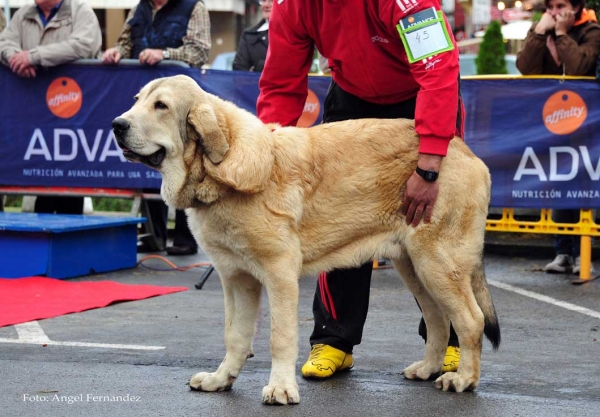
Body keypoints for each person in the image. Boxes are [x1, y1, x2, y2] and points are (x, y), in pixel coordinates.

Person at [257, 1, 464, 379]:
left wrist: (430, 165)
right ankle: (334, 340)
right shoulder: (293, 6)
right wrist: (266, 154)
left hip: (418, 96)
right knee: (335, 222)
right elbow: (281, 82)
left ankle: (452, 340)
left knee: (433, 229)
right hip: (351, 100)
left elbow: (438, 71)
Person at [102, 0, 211, 254]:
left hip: (179, 107)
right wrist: (117, 51)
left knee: (187, 164)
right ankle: (155, 236)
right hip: (146, 102)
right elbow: (126, 43)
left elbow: (200, 52)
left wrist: (165, 54)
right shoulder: (138, 8)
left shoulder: (194, 6)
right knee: (147, 161)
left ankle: (185, 239)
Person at [517, 0, 600, 275]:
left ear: (577, 7)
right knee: (561, 185)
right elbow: (525, 67)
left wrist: (563, 35)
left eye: (561, 5)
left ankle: (582, 252)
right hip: (554, 122)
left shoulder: (591, 30)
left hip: (587, 122)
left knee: (585, 186)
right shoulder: (542, 29)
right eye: (550, 6)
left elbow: (579, 67)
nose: (554, 12)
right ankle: (563, 252)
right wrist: (540, 34)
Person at [0, 0, 101, 214]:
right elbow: (4, 42)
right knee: (41, 180)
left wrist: (34, 57)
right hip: (35, 113)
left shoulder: (80, 11)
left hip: (73, 111)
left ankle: (69, 238)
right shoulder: (24, 13)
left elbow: (84, 44)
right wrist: (15, 59)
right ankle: (41, 238)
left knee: (70, 179)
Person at [232, 0, 271, 72]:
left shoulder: (293, 32)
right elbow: (239, 69)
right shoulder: (249, 35)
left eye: (271, 1)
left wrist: (259, 66)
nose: (265, 5)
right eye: (264, 1)